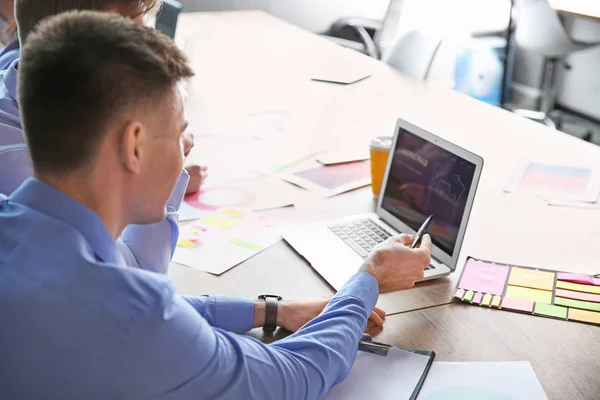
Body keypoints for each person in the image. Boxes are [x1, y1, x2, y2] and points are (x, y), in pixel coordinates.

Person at [0, 11, 432, 399]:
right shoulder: (130, 316)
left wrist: (272, 310)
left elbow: (148, 306)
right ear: (134, 146)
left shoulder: (27, 232)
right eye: (179, 132)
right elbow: (294, 376)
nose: (184, 152)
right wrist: (369, 278)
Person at [0, 0, 208, 196]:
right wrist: (161, 174)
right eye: (137, 45)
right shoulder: (24, 169)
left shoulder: (73, 103)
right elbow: (109, 226)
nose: (147, 59)